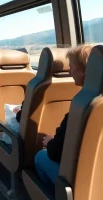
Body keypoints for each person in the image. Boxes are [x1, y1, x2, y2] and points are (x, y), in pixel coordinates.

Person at [34, 45, 92, 191]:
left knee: (41, 157)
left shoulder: (82, 105)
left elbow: (56, 153)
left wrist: (50, 142)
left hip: (82, 182)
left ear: (83, 72)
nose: (70, 71)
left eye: (72, 67)